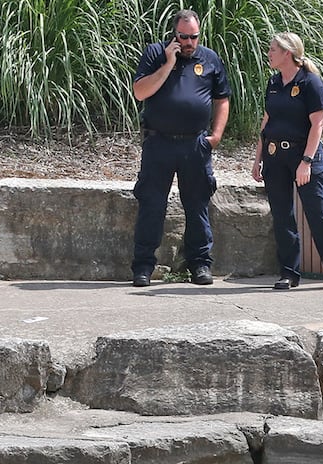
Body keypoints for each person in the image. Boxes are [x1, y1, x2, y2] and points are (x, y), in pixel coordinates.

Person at [129, 9, 231, 288]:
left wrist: (216, 136)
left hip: (195, 144)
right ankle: (143, 267)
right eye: (183, 37)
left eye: (193, 37)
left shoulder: (209, 59)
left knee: (197, 204)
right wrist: (168, 62)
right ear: (174, 34)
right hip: (159, 142)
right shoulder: (155, 53)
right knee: (152, 204)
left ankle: (200, 265)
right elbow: (141, 92)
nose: (188, 42)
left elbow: (222, 99)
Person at [252, 32, 323, 293]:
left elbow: (318, 124)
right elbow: (266, 121)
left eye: (273, 50)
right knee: (282, 216)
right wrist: (258, 157)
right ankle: (289, 273)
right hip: (275, 157)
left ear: (287, 53)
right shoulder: (273, 82)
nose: (269, 53)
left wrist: (306, 161)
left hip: (303, 156)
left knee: (318, 216)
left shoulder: (310, 83)